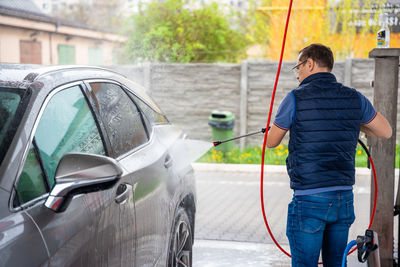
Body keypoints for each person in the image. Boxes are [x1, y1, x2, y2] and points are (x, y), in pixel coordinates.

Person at [267, 43, 392, 267]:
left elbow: (271, 141)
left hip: (309, 201)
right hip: (343, 200)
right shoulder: (354, 98)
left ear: (310, 64)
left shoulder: (295, 98)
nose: (297, 76)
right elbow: (386, 131)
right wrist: (352, 122)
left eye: (298, 68)